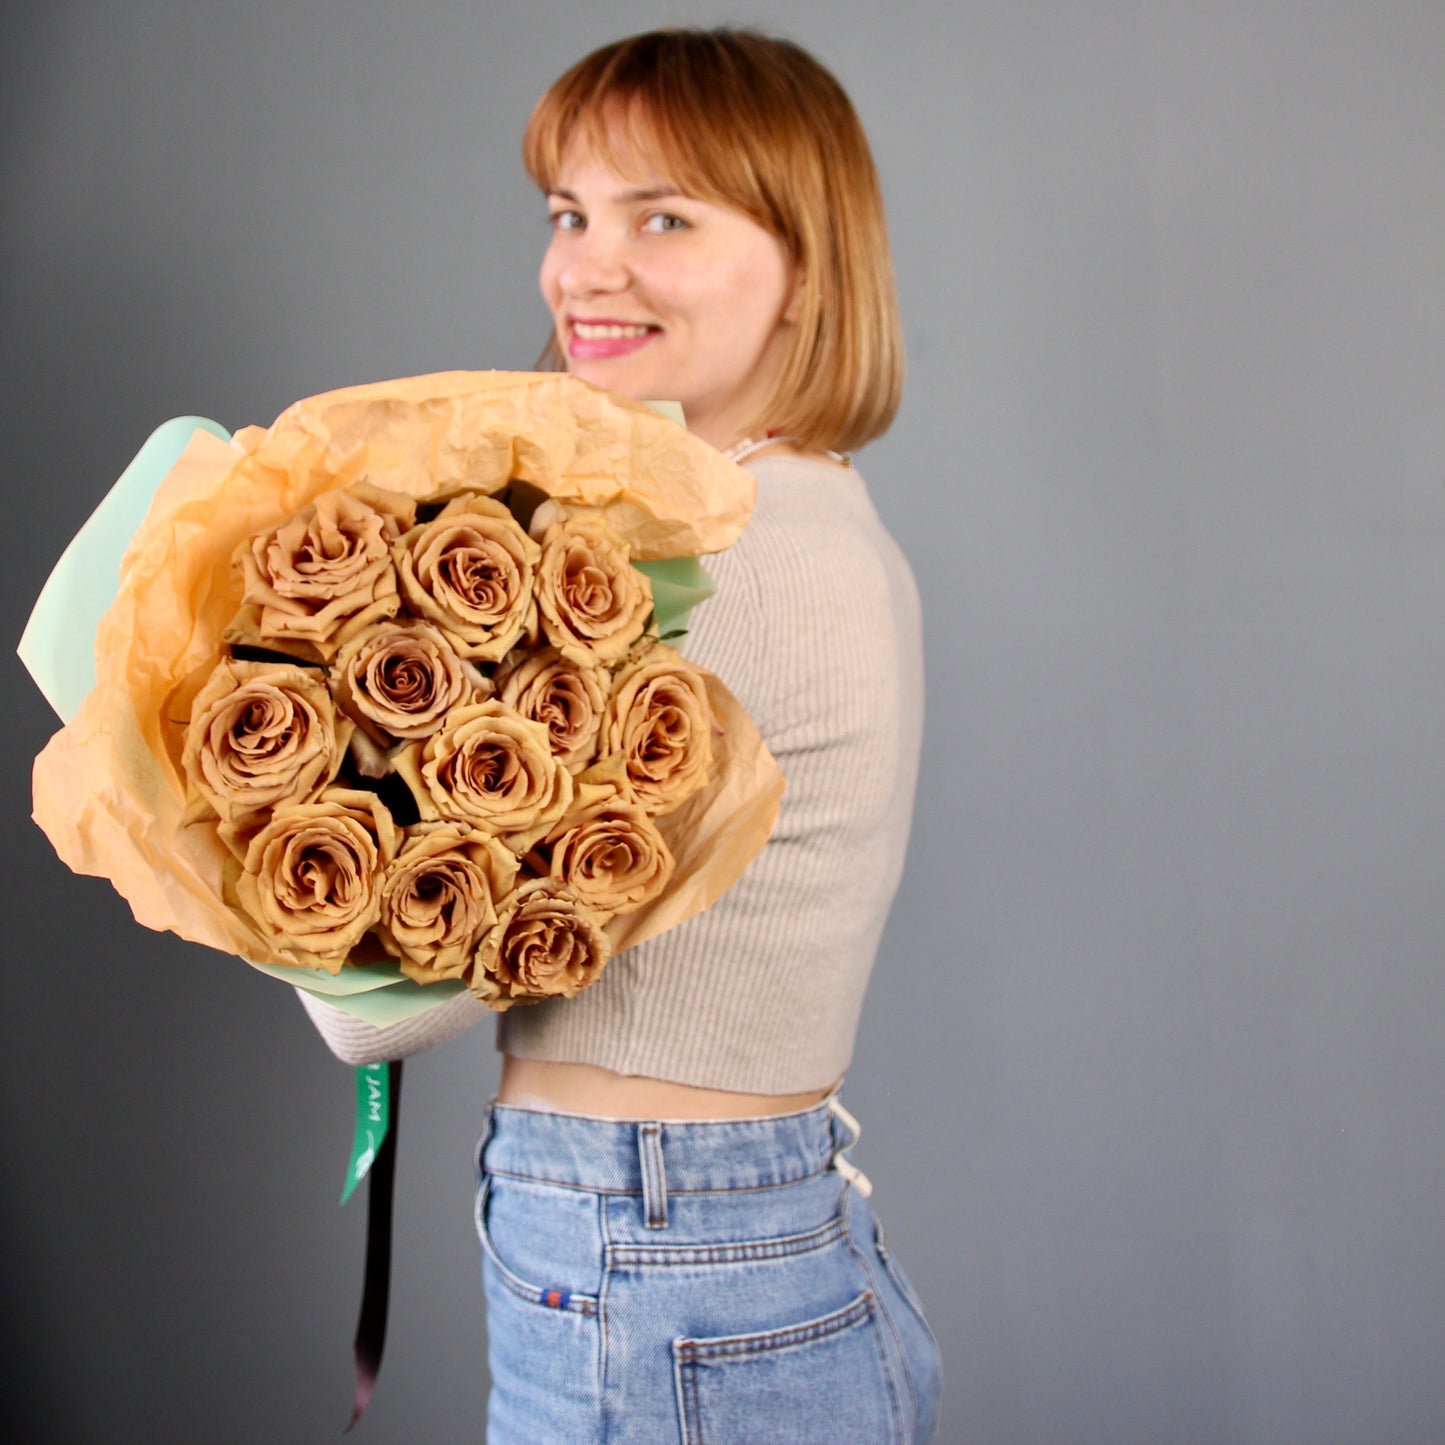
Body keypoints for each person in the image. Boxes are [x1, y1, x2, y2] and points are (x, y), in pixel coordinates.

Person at [301, 26, 940, 1443]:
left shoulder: (737, 559)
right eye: (569, 214)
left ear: (807, 265)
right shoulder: (786, 514)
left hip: (663, 1260)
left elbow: (377, 1005)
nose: (586, 270)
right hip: (697, 1251)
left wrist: (218, 758)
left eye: (662, 219)